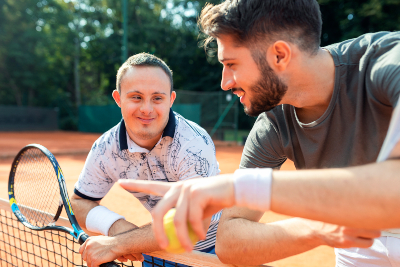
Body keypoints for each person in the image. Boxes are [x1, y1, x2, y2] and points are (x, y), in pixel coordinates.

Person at [116, 0, 400, 266]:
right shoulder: (273, 123)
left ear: (279, 55)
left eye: (231, 65)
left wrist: (238, 187)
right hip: (357, 242)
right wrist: (320, 225)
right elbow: (229, 240)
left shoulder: (387, 61)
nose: (225, 83)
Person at [71, 53, 222, 267]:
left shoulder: (192, 144)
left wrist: (119, 244)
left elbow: (195, 223)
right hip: (160, 248)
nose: (147, 109)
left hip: (214, 251)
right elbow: (78, 203)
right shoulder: (106, 148)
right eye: (136, 97)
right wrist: (115, 226)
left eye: (157, 98)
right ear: (118, 99)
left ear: (171, 100)